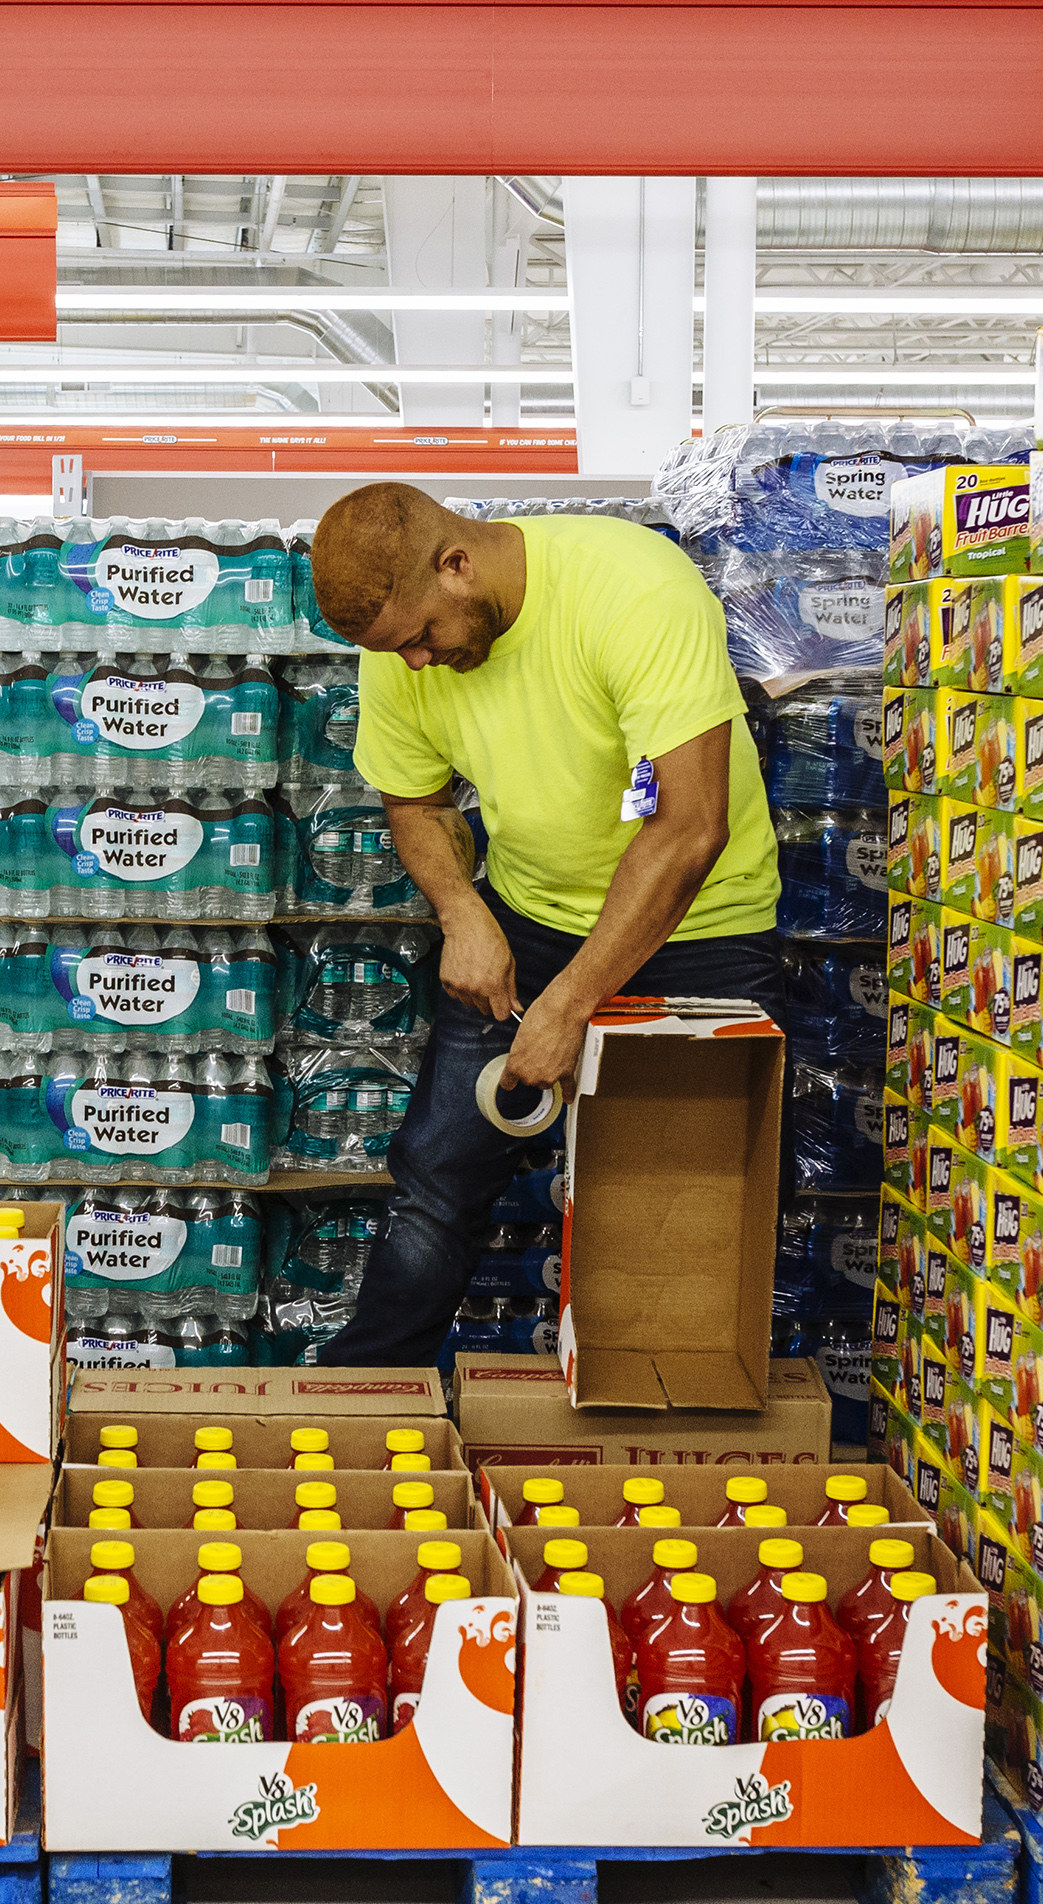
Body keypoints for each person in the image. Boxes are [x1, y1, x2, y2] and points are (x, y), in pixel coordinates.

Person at [301, 482, 785, 1367]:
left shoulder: (634, 591)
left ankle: (666, 1422)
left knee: (683, 1203)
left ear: (457, 564)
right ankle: (363, 1394)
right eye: (392, 650)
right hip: (531, 923)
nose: (412, 665)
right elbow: (413, 795)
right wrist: (462, 910)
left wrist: (573, 1003)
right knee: (437, 1178)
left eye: (419, 639)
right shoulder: (399, 643)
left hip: (703, 934)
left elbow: (689, 827)